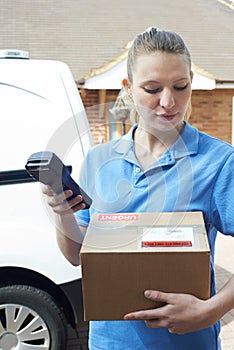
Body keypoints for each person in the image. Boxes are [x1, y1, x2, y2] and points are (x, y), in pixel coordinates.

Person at [43, 27, 234, 350]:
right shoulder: (100, 160)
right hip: (109, 343)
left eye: (180, 86)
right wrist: (62, 214)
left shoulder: (218, 162)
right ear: (128, 89)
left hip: (186, 343)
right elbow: (76, 256)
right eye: (152, 88)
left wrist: (209, 311)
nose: (168, 101)